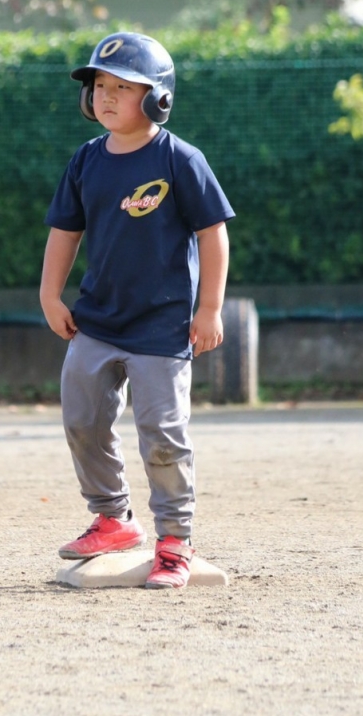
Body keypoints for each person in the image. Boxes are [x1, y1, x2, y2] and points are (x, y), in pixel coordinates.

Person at [40, 31, 234, 589]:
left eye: (123, 87)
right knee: (82, 419)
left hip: (162, 326)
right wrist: (50, 295)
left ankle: (174, 540)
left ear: (158, 98)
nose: (106, 95)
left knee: (163, 436)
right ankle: (113, 519)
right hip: (97, 321)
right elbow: (64, 232)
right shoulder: (86, 160)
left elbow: (213, 233)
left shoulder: (180, 159)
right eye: (99, 85)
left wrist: (210, 307)